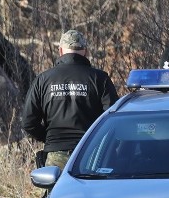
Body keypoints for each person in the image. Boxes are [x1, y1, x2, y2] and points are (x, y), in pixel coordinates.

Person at [22, 29, 118, 169]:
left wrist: (50, 138)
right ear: (85, 51)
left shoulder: (43, 80)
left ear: (60, 51)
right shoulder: (100, 78)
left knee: (56, 191)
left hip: (56, 153)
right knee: (91, 191)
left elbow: (28, 122)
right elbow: (113, 118)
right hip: (91, 153)